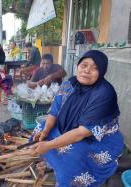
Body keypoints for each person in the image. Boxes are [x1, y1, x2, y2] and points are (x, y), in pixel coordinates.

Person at [31, 50, 124, 186]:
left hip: (97, 140)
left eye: (95, 68)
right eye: (84, 65)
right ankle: (51, 162)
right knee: (42, 127)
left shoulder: (104, 94)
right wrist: (45, 132)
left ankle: (67, 178)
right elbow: (54, 111)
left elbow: (82, 133)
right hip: (71, 129)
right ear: (78, 66)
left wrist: (48, 145)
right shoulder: (69, 84)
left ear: (102, 72)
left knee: (72, 158)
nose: (87, 71)